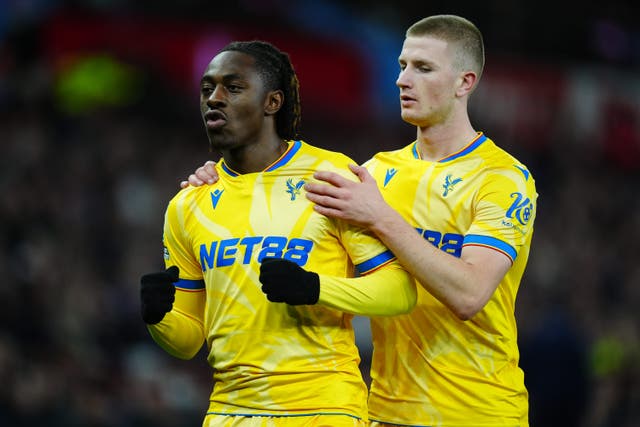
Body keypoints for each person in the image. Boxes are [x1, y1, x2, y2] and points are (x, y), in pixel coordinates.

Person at [185, 15, 538, 427]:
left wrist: (381, 217)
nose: (403, 80)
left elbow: (469, 295)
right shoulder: (375, 172)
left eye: (423, 68)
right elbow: (292, 223)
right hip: (383, 411)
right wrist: (220, 183)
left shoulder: (502, 178)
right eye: (403, 66)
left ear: (465, 82)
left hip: (479, 412)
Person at [140, 40, 417, 427]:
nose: (214, 99)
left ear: (273, 102)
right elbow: (188, 342)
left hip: (323, 408)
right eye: (207, 89)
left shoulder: (330, 176)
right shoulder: (188, 204)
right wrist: (158, 319)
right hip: (229, 412)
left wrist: (315, 288)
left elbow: (399, 290)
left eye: (233, 88)